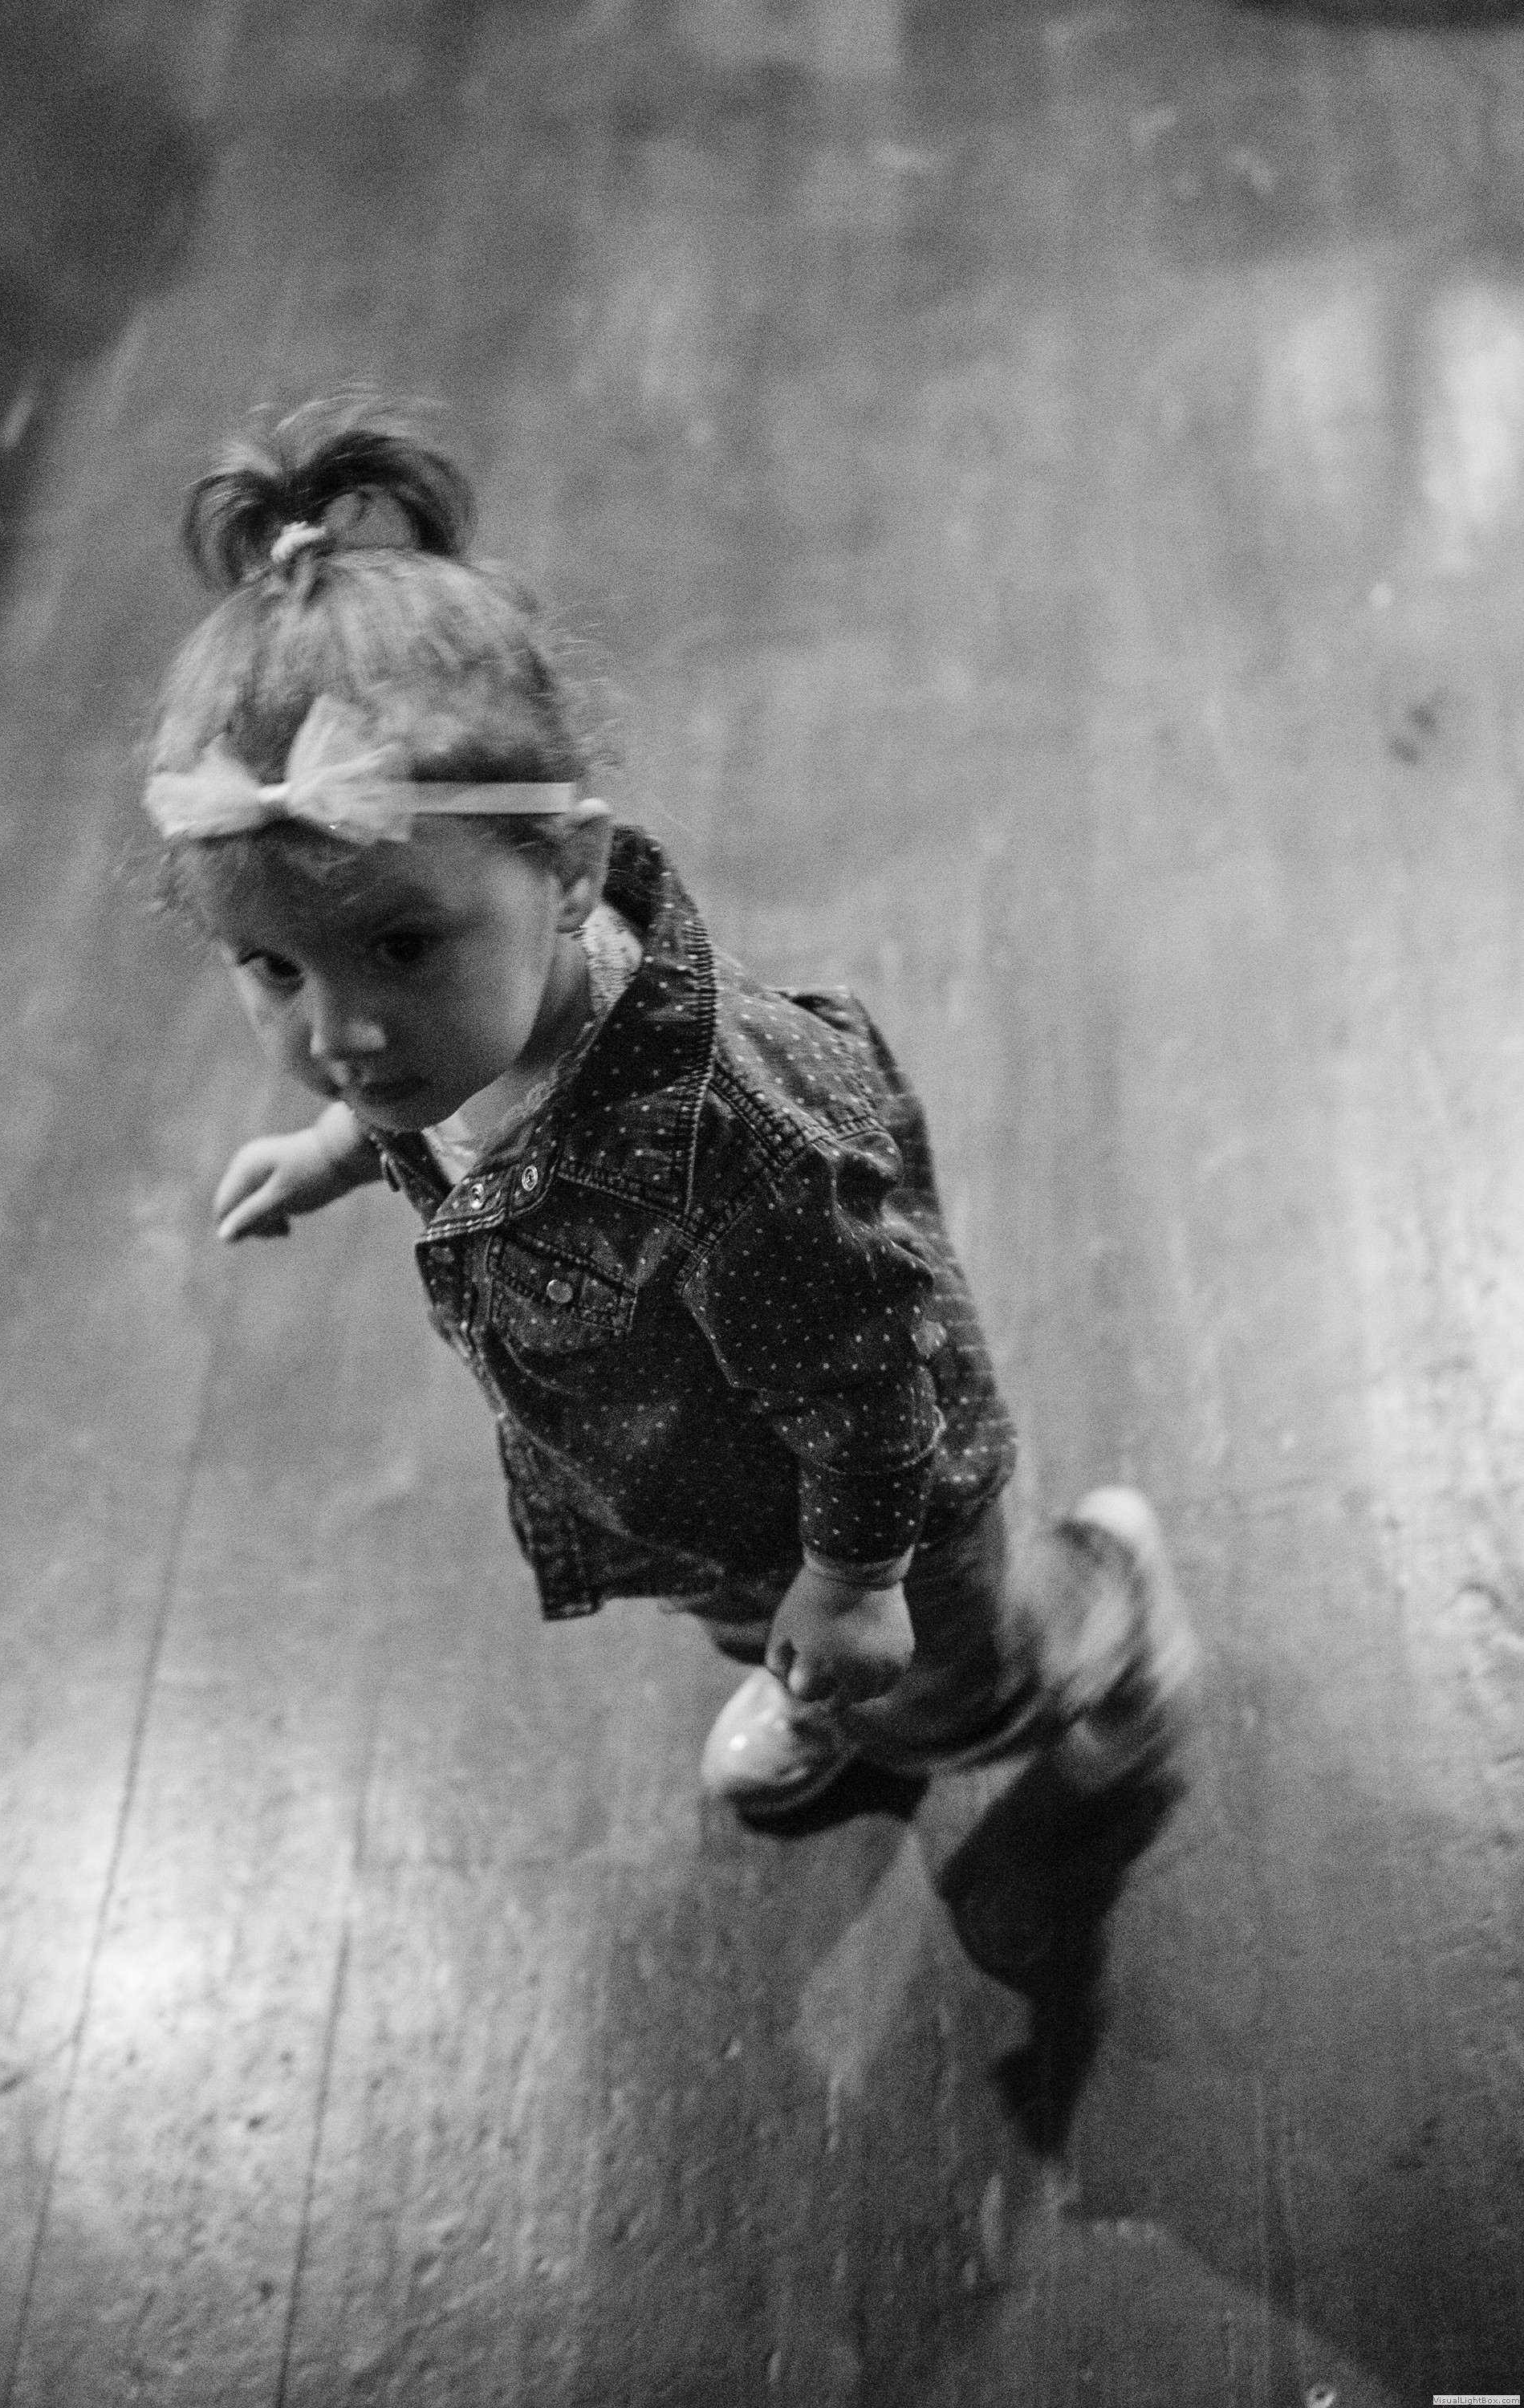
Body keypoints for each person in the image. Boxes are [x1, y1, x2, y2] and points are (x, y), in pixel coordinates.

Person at [143, 399, 1197, 1821]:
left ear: (569, 869)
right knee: (769, 1630)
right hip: (699, 1490)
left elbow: (865, 1389)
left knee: (953, 1695)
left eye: (399, 944)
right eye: (272, 968)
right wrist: (337, 1147)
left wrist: (855, 1579)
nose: (339, 1036)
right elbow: (392, 1097)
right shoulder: (440, 1040)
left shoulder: (735, 1148)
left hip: (865, 1509)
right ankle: (815, 1674)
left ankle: (1101, 1612)